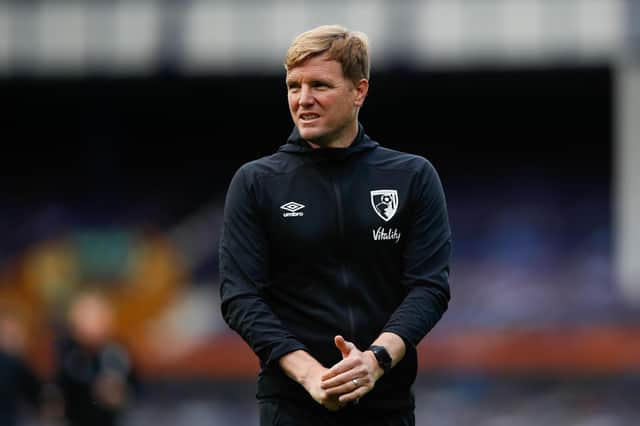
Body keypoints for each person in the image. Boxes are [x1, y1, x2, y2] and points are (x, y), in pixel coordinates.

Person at [219, 24, 451, 426]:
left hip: (386, 406)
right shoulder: (256, 182)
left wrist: (375, 361)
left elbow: (429, 287)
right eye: (294, 86)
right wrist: (311, 375)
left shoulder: (412, 176)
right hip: (291, 406)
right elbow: (239, 296)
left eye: (320, 86)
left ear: (359, 91)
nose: (303, 100)